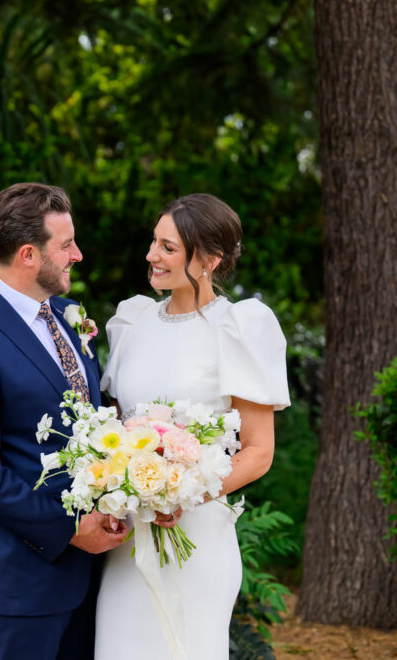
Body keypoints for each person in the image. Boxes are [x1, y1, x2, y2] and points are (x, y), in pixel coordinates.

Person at [0, 183, 128, 660]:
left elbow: (92, 423)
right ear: (27, 255)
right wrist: (69, 528)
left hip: (94, 580)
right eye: (66, 245)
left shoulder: (71, 318)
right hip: (21, 582)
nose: (77, 255)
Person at [95, 193, 290, 660]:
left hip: (196, 538)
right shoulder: (132, 321)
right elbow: (116, 429)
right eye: (153, 242)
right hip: (129, 537)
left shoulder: (237, 327)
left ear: (209, 260)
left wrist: (180, 496)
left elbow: (258, 452)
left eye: (168, 247)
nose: (151, 255)